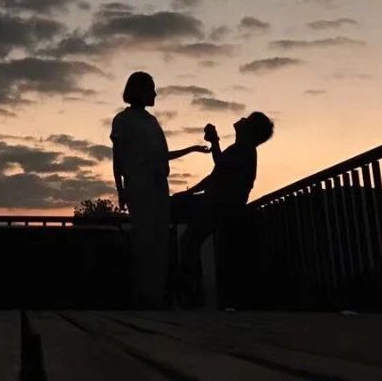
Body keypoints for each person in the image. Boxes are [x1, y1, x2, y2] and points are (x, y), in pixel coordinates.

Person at [110, 72, 209, 307]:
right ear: (140, 90)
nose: (155, 93)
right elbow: (118, 157)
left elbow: (162, 156)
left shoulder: (152, 122)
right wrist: (120, 189)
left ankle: (156, 296)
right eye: (151, 89)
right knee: (144, 240)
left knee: (160, 241)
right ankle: (144, 296)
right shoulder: (123, 120)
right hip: (139, 186)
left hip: (158, 188)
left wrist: (193, 149)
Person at [172, 111, 275, 305]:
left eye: (247, 120)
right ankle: (192, 293)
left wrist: (214, 140)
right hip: (218, 204)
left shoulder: (243, 149)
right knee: (189, 241)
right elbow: (217, 173)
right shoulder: (241, 149)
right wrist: (189, 193)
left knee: (189, 242)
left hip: (219, 206)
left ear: (249, 130)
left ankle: (192, 294)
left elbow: (218, 171)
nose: (242, 119)